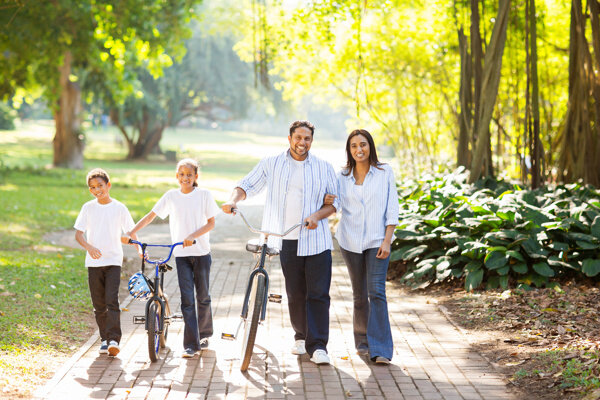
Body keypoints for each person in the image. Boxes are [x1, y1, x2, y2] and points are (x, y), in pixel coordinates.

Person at [222, 120, 339, 365]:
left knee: (318, 294)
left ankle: (318, 346)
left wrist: (317, 216)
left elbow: (334, 203)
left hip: (316, 239)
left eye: (307, 138)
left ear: (312, 141)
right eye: (298, 137)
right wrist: (233, 201)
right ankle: (300, 337)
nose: (302, 142)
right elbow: (247, 185)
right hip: (286, 239)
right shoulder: (272, 163)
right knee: (295, 293)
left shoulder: (324, 167)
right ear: (289, 138)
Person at [126, 158, 220, 358]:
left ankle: (204, 334)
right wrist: (131, 232)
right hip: (181, 255)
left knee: (203, 297)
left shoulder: (204, 195)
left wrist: (193, 236)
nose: (185, 178)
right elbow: (151, 216)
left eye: (189, 174)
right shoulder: (171, 196)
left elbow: (211, 223)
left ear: (196, 177)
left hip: (201, 253)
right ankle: (190, 345)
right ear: (177, 176)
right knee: (187, 299)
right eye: (182, 174)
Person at [325, 129, 399, 364]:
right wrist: (327, 200)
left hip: (378, 241)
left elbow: (392, 207)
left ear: (370, 147)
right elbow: (333, 201)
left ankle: (381, 350)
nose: (359, 149)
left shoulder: (384, 172)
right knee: (359, 295)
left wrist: (387, 240)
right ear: (349, 149)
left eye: (363, 145)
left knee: (376, 292)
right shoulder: (342, 176)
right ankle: (362, 341)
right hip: (350, 241)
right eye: (354, 145)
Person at [74, 168, 137, 357]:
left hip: (113, 261)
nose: (97, 190)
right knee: (99, 304)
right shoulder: (88, 208)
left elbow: (131, 232)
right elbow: (78, 235)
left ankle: (113, 340)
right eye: (92, 187)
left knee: (112, 300)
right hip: (93, 264)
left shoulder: (119, 207)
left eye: (100, 186)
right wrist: (89, 247)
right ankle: (103, 339)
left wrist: (140, 250)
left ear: (108, 185)